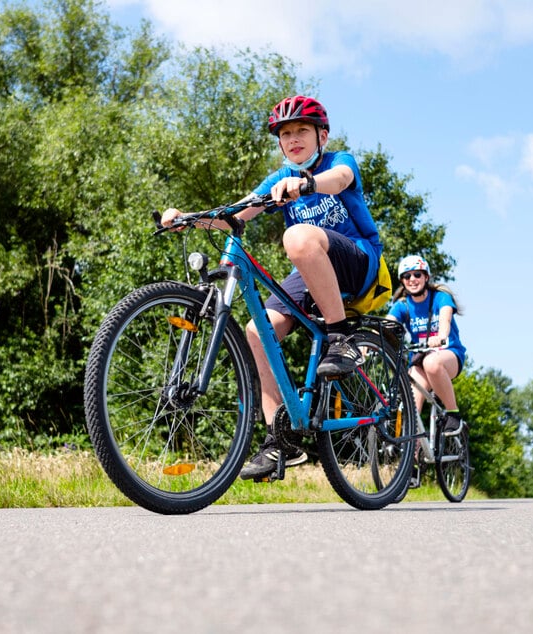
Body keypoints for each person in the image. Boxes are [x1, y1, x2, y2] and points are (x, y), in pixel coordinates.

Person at [161, 95, 384, 480]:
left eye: (302, 131)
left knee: (296, 237)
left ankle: (340, 338)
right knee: (257, 328)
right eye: (286, 134)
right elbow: (234, 215)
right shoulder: (278, 179)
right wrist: (189, 219)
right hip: (314, 268)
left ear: (322, 136)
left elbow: (340, 181)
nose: (293, 139)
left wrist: (308, 183)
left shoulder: (337, 162)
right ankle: (280, 439)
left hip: (357, 262)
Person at [387, 255, 467, 435]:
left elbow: (445, 320)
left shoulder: (440, 297)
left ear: (426, 277)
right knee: (410, 405)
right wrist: (368, 343)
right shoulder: (402, 306)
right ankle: (411, 458)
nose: (412, 280)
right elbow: (387, 325)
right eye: (407, 276)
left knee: (432, 363)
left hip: (448, 354)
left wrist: (440, 336)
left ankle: (453, 414)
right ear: (402, 281)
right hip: (419, 359)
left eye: (417, 274)